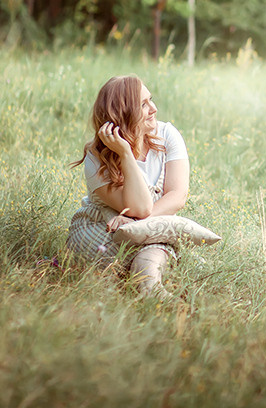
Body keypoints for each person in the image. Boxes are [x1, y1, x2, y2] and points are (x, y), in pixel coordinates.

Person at [66, 75, 190, 297]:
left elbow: (177, 196)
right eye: (143, 104)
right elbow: (140, 207)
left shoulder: (167, 135)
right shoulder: (96, 157)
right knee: (125, 255)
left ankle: (158, 296)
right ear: (122, 113)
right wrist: (125, 153)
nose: (154, 108)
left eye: (150, 99)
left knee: (149, 259)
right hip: (102, 226)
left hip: (152, 228)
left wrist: (136, 224)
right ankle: (136, 281)